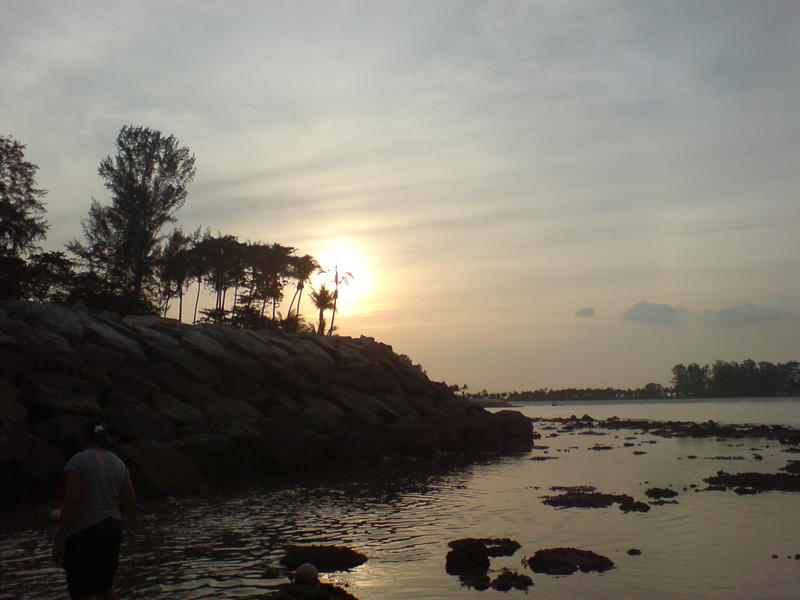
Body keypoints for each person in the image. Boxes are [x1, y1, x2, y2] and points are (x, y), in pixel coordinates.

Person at [52, 421, 136, 600]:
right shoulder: (117, 461)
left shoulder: (78, 460)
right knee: (104, 586)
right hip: (113, 527)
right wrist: (110, 506)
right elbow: (131, 498)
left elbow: (72, 499)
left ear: (82, 439)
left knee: (80, 590)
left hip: (85, 532)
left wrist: (60, 537)